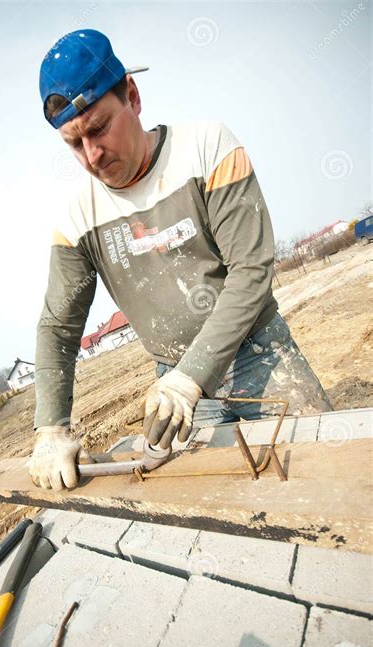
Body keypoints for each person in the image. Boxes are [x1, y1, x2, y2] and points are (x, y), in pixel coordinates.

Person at [30, 29, 332, 491]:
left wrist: (193, 376)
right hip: (175, 387)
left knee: (323, 468)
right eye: (75, 142)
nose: (92, 155)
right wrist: (51, 429)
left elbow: (251, 272)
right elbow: (58, 326)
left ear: (132, 95)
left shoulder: (207, 147)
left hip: (259, 355)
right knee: (220, 498)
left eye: (99, 128)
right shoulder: (77, 217)